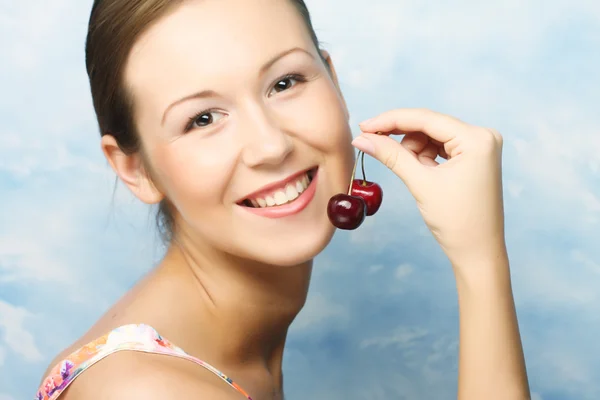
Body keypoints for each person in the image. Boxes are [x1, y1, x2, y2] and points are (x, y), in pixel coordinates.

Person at [35, 0, 530, 399]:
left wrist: (478, 252)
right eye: (203, 118)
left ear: (332, 80)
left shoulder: (222, 350)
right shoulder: (147, 392)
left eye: (284, 83)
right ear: (134, 169)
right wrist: (481, 263)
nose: (271, 146)